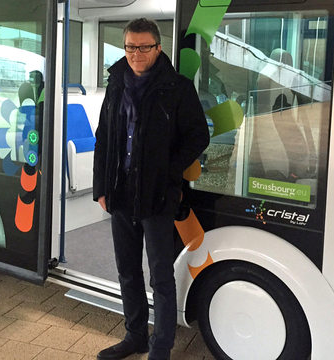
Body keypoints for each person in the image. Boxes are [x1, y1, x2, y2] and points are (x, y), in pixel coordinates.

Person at [93, 18, 209, 360]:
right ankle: (135, 336)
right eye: (130, 46)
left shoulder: (177, 87)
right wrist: (101, 187)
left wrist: (168, 173)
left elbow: (198, 135)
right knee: (127, 271)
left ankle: (161, 347)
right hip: (120, 195)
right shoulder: (115, 85)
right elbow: (104, 138)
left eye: (144, 47)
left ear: (157, 48)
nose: (136, 53)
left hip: (158, 198)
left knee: (161, 276)